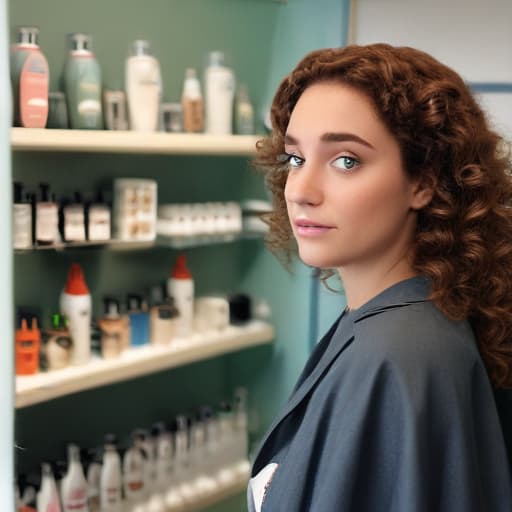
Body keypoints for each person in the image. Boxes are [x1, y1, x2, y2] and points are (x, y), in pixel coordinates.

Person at [248, 43, 512, 512]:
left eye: (346, 160)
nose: (302, 192)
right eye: (295, 158)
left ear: (423, 183)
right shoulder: (396, 321)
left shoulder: (395, 357)